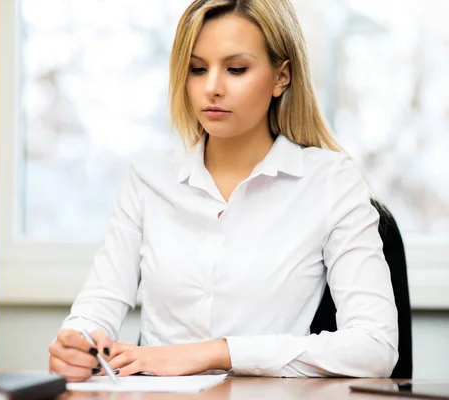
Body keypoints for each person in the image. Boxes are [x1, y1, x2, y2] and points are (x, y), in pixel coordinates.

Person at [48, 0, 398, 382]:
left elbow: (374, 346)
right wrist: (78, 342)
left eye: (236, 69)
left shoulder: (330, 181)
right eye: (197, 69)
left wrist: (215, 352)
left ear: (282, 76)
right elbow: (98, 305)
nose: (211, 87)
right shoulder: (148, 178)